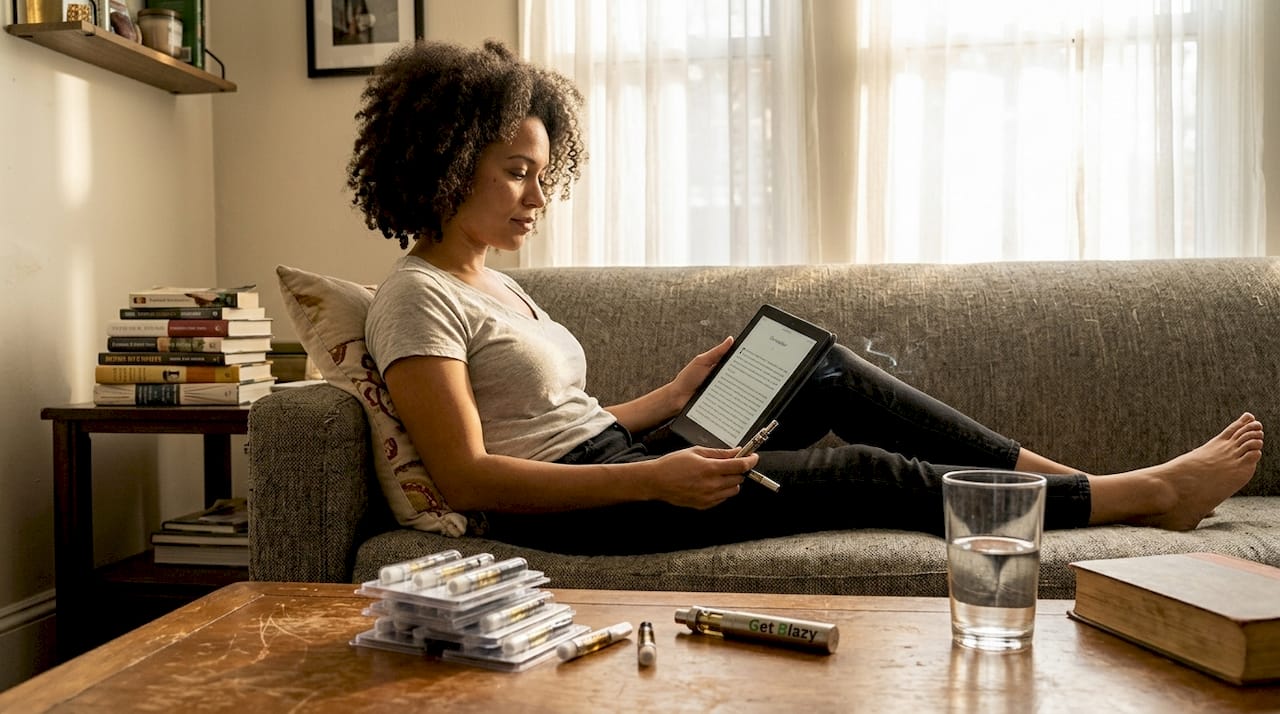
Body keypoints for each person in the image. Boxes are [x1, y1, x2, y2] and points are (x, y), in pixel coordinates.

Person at [351, 40, 1264, 555]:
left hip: (619, 461)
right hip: (593, 511)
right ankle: (1140, 495)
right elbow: (471, 477)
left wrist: (673, 397)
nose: (538, 197)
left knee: (815, 365)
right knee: (867, 473)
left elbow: (555, 421)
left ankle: (1065, 481)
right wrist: (656, 478)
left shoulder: (496, 285)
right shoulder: (416, 298)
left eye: (543, 175)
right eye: (517, 172)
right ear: (446, 161)